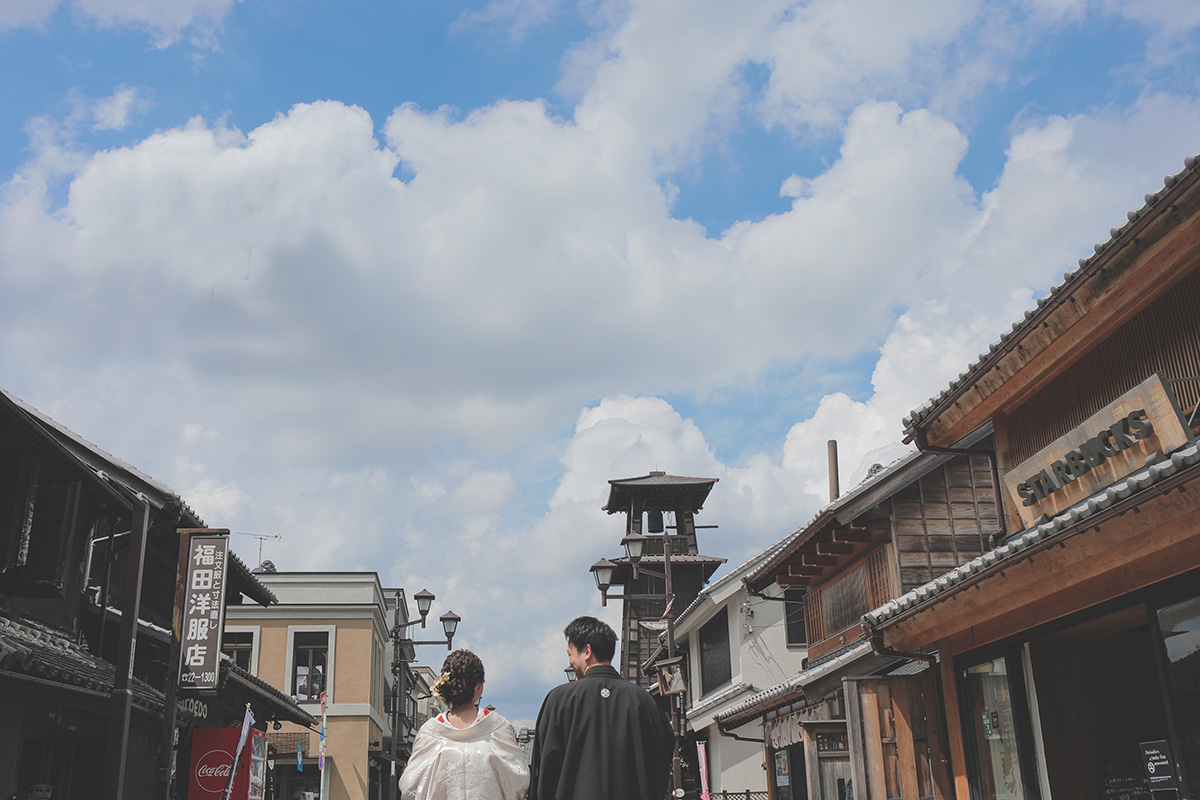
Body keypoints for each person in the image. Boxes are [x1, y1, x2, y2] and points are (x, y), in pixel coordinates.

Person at [527, 616, 674, 800]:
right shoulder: (643, 701)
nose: (570, 662)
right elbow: (661, 758)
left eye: (570, 654)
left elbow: (546, 764)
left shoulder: (559, 699)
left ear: (587, 651)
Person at [399, 649, 529, 800]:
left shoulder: (430, 732)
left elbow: (410, 787)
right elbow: (518, 781)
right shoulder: (499, 728)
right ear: (479, 687)